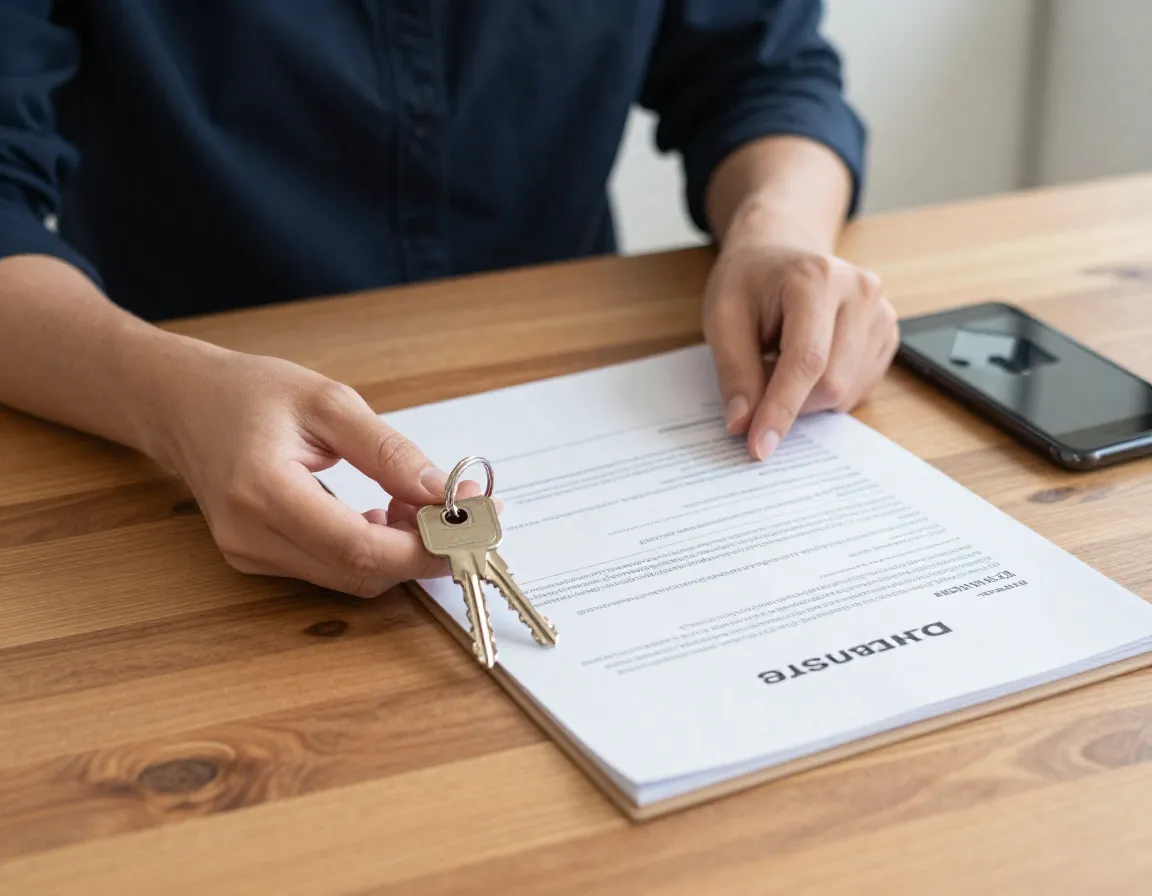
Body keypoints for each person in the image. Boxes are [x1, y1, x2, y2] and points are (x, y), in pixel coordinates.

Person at [0, 0, 898, 598]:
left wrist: (778, 227)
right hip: (143, 401)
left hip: (588, 370)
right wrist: (166, 405)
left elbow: (765, 74)